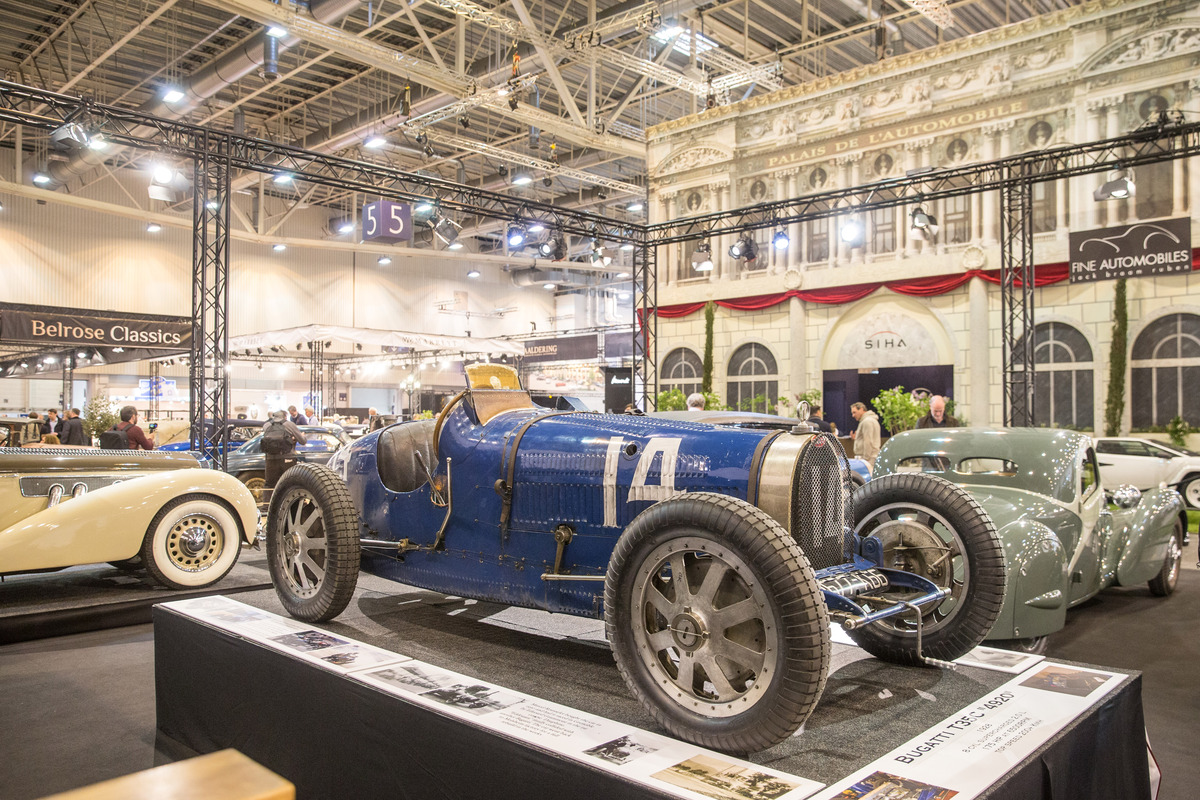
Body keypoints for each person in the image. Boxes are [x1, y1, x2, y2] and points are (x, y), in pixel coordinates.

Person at [262, 410, 308, 493]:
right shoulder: (289, 424)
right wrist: (301, 436)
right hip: (287, 458)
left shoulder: (266, 425)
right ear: (285, 416)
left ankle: (267, 505)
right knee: (290, 484)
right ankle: (291, 504)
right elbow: (303, 441)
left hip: (270, 459)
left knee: (270, 484)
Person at [849, 401, 881, 469]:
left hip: (868, 459)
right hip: (870, 458)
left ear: (861, 409)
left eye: (854, 412)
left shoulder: (867, 421)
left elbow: (868, 441)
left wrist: (865, 460)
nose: (853, 415)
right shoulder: (870, 420)